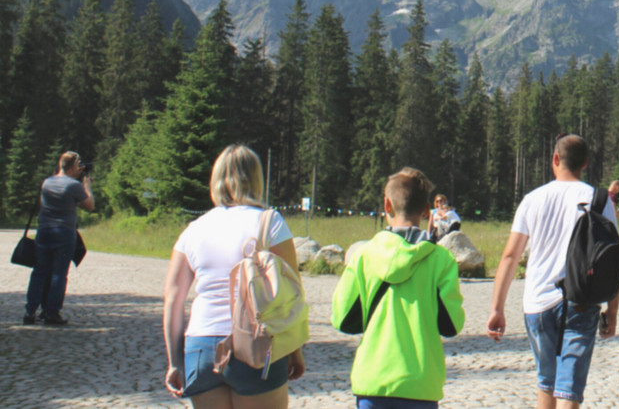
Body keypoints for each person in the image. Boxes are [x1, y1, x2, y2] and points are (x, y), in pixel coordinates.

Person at [163, 145, 305, 407]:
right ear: (256, 180)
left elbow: (173, 299)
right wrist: (293, 349)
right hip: (256, 345)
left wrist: (175, 362)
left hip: (200, 347)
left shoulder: (193, 230)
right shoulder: (269, 222)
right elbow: (291, 292)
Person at [487, 134, 619, 409]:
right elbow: (613, 260)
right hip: (581, 301)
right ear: (584, 163)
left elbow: (510, 256)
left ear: (555, 159)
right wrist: (612, 311)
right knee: (568, 391)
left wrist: (497, 308)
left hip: (537, 303)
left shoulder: (532, 199)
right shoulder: (600, 200)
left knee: (546, 383)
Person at [332, 167, 466, 408]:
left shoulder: (363, 256)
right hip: (420, 385)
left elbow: (343, 319)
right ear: (427, 210)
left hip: (373, 382)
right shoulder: (441, 261)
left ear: (386, 205)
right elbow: (451, 325)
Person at [23, 151, 95, 326]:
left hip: (44, 231)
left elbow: (44, 203)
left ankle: (30, 312)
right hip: (64, 232)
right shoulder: (73, 186)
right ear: (72, 166)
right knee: (58, 274)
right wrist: (87, 186)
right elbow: (90, 206)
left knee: (39, 272)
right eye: (78, 165)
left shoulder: (47, 182)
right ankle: (52, 313)